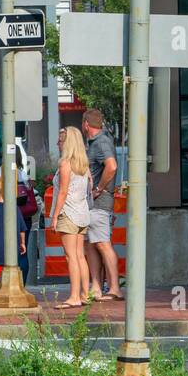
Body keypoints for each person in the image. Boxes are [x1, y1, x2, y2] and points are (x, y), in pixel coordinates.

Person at [49, 126, 92, 309]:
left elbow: (63, 192)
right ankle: (84, 294)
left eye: (60, 140)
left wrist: (55, 216)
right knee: (80, 256)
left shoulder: (65, 164)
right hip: (82, 213)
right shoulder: (83, 164)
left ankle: (74, 296)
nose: (58, 143)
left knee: (70, 256)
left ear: (68, 143)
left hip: (68, 212)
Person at [82, 108, 122, 301]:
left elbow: (112, 166)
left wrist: (98, 188)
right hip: (94, 202)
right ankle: (97, 286)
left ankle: (114, 288)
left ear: (86, 124)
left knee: (102, 244)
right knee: (92, 244)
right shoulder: (96, 142)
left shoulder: (101, 142)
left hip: (100, 201)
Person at [0, 172, 27, 296]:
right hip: (13, 247)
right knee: (9, 271)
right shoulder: (15, 208)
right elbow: (22, 228)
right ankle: (7, 291)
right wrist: (22, 243)